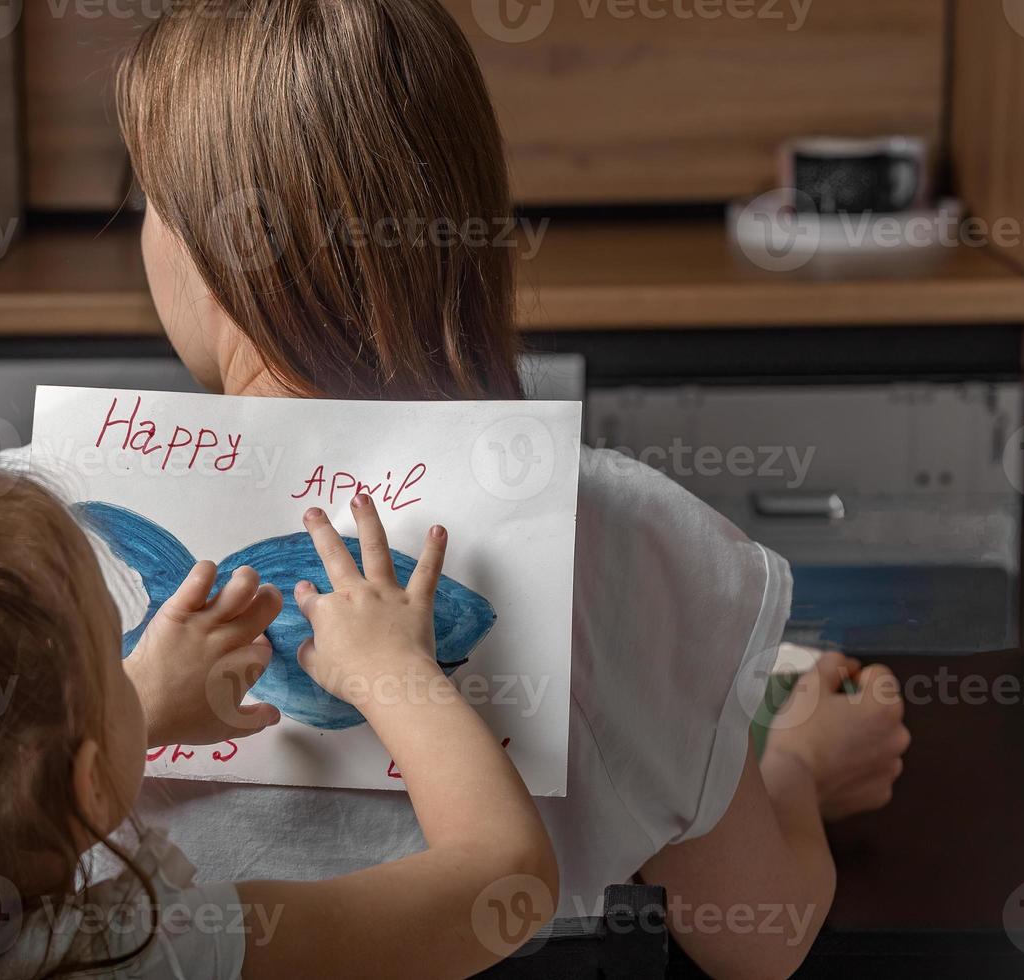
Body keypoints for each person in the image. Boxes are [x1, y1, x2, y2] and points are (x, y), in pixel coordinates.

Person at [74, 0, 914, 974]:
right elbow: (753, 937)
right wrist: (796, 768)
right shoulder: (631, 534)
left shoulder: (23, 533)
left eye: (146, 200)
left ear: (196, 244)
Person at [0, 440, 558, 979]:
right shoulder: (137, 956)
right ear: (82, 786)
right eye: (110, 658)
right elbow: (502, 886)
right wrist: (396, 673)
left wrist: (127, 716)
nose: (135, 661)